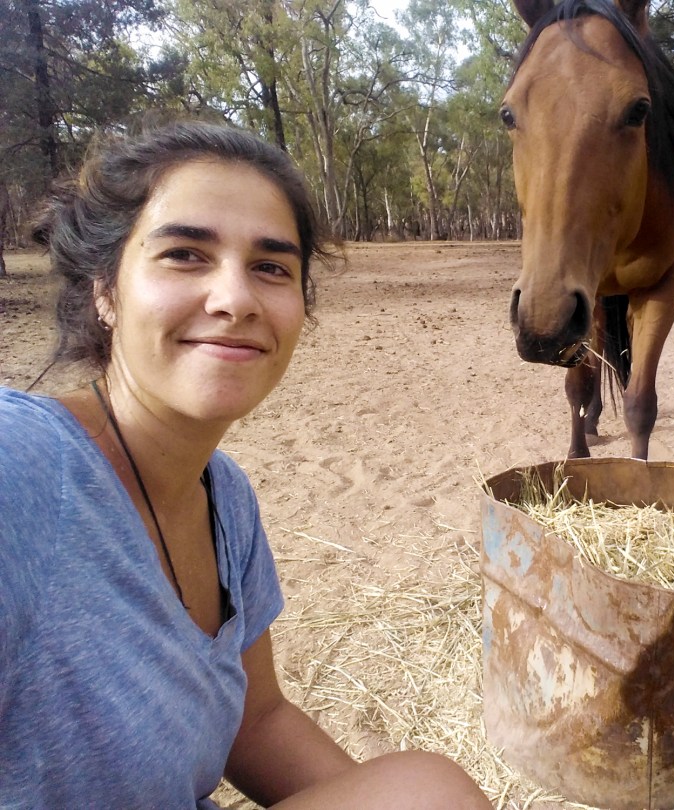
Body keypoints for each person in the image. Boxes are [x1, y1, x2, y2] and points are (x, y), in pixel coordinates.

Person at [0, 120, 493, 810]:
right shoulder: (20, 469)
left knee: (428, 792)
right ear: (104, 292)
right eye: (184, 254)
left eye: (270, 267)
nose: (235, 299)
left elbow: (256, 722)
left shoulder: (224, 499)